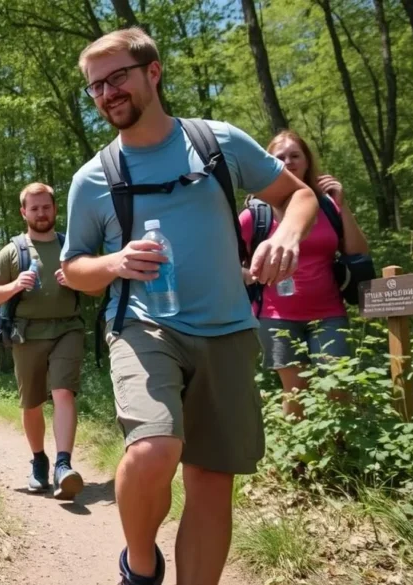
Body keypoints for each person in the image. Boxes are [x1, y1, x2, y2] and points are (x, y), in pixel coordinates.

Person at [60, 28, 318, 585]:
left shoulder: (217, 142)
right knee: (154, 448)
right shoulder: (93, 178)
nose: (106, 93)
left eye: (117, 77)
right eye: (95, 86)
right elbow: (74, 268)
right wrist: (115, 263)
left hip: (228, 330)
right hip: (143, 327)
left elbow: (299, 195)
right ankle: (140, 565)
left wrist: (287, 235)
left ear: (153, 72)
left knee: (212, 482)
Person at [240, 130, 369, 419]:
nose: (288, 162)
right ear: (268, 163)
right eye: (280, 157)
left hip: (329, 313)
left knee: (339, 388)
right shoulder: (255, 214)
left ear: (307, 161)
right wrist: (249, 274)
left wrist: (342, 205)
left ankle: (341, 447)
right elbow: (223, 258)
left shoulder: (327, 206)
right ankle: (298, 449)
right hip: (275, 317)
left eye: (295, 155)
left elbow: (358, 252)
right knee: (296, 393)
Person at [0, 182, 87, 501]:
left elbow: (98, 288)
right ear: (23, 212)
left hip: (68, 329)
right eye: (34, 208)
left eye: (46, 207)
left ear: (55, 209)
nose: (41, 213)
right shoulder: (13, 251)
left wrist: (77, 280)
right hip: (26, 335)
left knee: (63, 391)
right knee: (32, 404)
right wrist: (15, 285)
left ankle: (63, 465)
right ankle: (39, 460)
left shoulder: (71, 247)